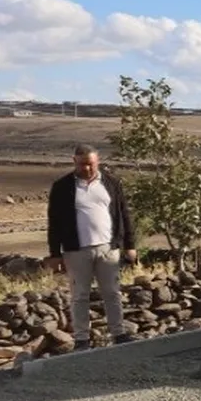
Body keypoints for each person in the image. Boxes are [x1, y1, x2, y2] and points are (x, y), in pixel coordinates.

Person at [45, 144, 136, 350]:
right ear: (74, 161)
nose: (87, 168)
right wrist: (55, 254)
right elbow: (55, 222)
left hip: (108, 248)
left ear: (98, 161)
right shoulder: (62, 187)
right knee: (80, 295)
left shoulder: (111, 183)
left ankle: (119, 334)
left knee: (112, 292)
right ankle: (82, 339)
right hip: (76, 250)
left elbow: (123, 214)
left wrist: (129, 245)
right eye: (82, 164)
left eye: (91, 164)